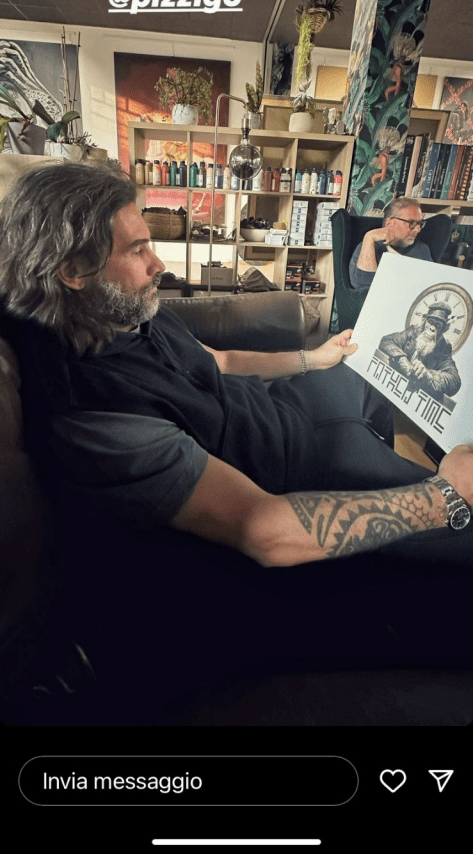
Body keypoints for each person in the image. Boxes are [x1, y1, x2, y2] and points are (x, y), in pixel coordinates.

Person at [1, 162, 473, 709]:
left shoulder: (123, 312)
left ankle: (390, 462)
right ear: (72, 271)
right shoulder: (91, 415)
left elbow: (219, 361)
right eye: (137, 250)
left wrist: (312, 359)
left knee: (364, 375)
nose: (158, 264)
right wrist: (442, 498)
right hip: (302, 476)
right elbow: (262, 529)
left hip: (290, 410)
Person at [379, 301, 462, 401]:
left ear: (443, 330)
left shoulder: (443, 348)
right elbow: (387, 340)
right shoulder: (413, 332)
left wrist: (427, 375)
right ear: (424, 320)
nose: (432, 328)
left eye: (438, 326)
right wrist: (403, 361)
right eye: (431, 322)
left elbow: (454, 380)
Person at [349, 196, 432, 289]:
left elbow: (429, 286)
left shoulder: (422, 249)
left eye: (420, 223)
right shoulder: (368, 245)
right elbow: (362, 286)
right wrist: (369, 237)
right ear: (389, 223)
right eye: (411, 223)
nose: (417, 229)